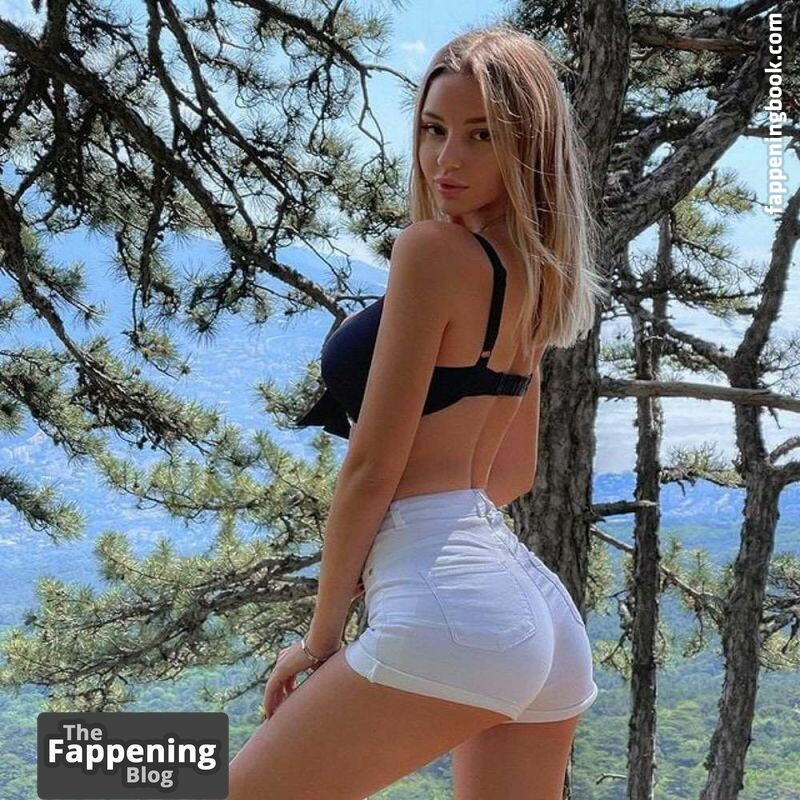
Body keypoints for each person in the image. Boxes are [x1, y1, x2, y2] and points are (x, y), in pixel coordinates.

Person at [228, 23, 607, 800]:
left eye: (481, 135)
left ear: (529, 146)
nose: (447, 159)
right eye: (435, 129)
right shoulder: (537, 274)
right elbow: (511, 472)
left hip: (454, 604)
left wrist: (320, 640)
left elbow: (372, 468)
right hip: (533, 612)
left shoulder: (431, 251)